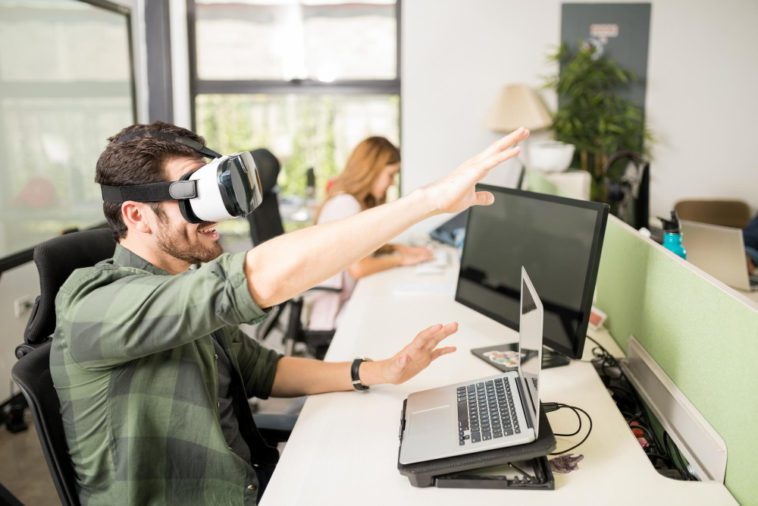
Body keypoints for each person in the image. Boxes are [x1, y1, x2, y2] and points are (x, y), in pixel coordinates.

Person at [50, 121, 528, 505]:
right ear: (136, 215)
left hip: (256, 481)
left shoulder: (178, 285)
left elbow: (264, 369)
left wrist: (381, 370)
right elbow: (251, 280)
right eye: (193, 198)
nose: (217, 218)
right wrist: (425, 202)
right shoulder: (91, 304)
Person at [308, 136, 433, 333]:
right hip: (333, 312)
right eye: (390, 175)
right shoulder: (345, 205)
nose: (392, 183)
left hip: (347, 298)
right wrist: (400, 260)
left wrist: (400, 249)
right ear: (371, 171)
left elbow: (362, 248)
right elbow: (359, 268)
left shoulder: (350, 202)